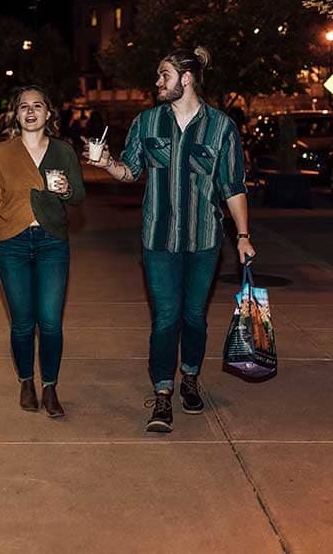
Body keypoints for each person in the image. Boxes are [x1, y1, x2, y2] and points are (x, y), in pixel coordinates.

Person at [85, 47, 256, 433]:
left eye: (164, 75)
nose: (157, 82)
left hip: (205, 239)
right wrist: (106, 162)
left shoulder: (221, 128)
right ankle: (162, 394)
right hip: (158, 239)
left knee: (194, 316)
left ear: (187, 78)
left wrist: (242, 236)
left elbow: (232, 186)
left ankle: (190, 377)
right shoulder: (146, 123)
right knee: (165, 318)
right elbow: (130, 172)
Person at [0, 85, 85, 418]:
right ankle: (27, 381)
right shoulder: (3, 152)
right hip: (12, 243)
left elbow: (78, 196)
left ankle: (51, 387)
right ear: (17, 114)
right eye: (24, 106)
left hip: (52, 242)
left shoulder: (63, 151)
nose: (30, 112)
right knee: (23, 323)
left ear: (48, 113)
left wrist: (68, 189)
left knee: (51, 322)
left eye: (37, 106)